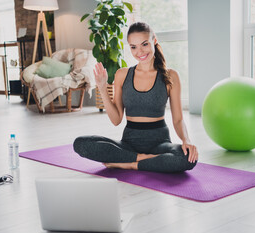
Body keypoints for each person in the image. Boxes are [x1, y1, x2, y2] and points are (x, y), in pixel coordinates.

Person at [73, 22, 198, 173]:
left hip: (160, 145)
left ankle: (129, 163)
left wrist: (187, 141)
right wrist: (102, 87)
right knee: (80, 144)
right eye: (133, 47)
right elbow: (116, 119)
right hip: (128, 144)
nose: (139, 52)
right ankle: (142, 159)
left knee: (187, 158)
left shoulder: (171, 76)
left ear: (154, 41)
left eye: (144, 44)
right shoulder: (122, 74)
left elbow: (178, 120)